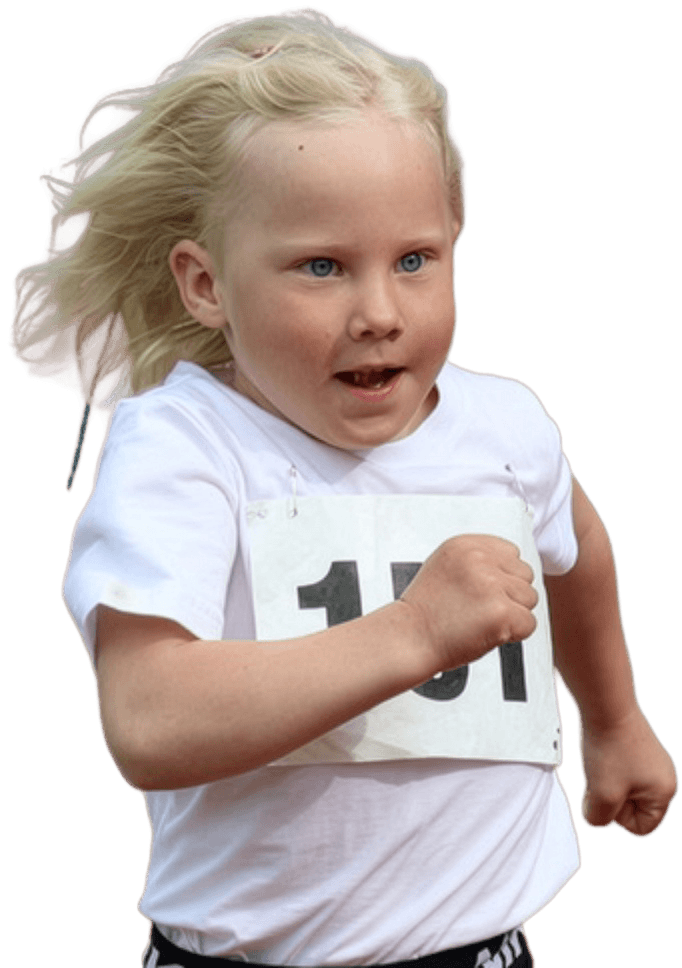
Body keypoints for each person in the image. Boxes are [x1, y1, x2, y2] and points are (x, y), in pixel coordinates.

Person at [13, 11, 676, 968]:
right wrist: (413, 633)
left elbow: (577, 553)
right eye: (320, 266)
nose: (379, 313)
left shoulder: (503, 425)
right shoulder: (187, 446)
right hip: (245, 959)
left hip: (484, 946)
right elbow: (149, 721)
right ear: (206, 284)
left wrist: (612, 720)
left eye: (415, 260)